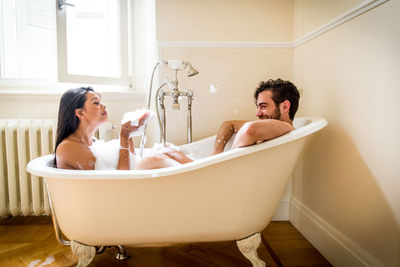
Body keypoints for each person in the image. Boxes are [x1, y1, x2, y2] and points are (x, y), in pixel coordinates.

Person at [54, 87, 192, 170]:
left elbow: (130, 160)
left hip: (123, 188)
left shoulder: (93, 142)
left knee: (166, 149)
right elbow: (115, 181)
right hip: (111, 198)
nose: (104, 106)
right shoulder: (68, 148)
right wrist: (124, 136)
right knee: (153, 159)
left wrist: (130, 133)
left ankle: (203, 168)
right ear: (80, 113)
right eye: (96, 103)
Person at [212, 78, 300, 155]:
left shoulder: (287, 128)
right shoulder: (265, 128)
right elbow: (229, 125)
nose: (257, 113)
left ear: (285, 106)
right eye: (258, 107)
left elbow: (249, 129)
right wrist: (217, 152)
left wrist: (225, 160)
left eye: (263, 106)